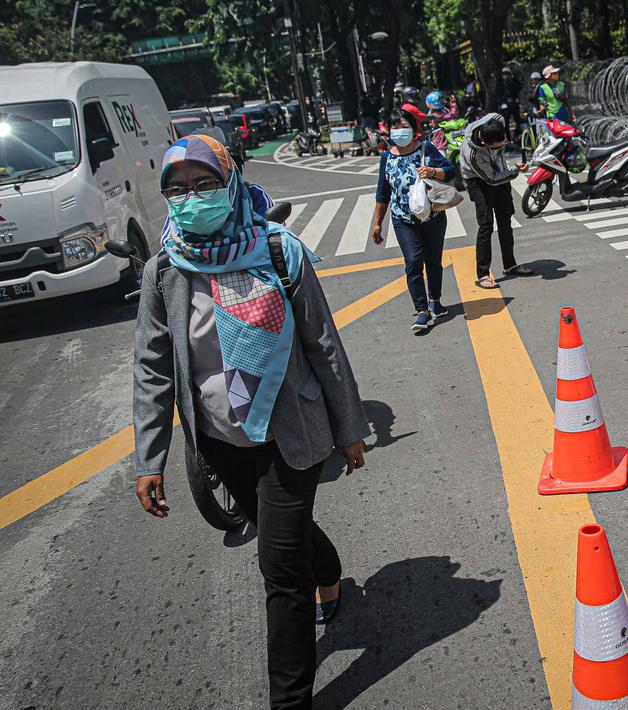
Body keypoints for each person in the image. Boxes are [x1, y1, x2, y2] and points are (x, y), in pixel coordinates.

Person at [133, 133, 369, 709]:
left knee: (278, 571)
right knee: (276, 533)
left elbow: (323, 344)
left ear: (230, 180)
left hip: (290, 430)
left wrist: (349, 428)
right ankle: (330, 567)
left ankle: (289, 703)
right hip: (218, 438)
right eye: (178, 189)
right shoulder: (166, 268)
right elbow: (153, 366)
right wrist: (150, 458)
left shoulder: (278, 249)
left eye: (204, 183)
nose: (192, 197)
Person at [370, 108, 456, 332]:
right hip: (403, 219)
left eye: (404, 126)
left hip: (433, 217)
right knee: (413, 261)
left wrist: (432, 171)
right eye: (395, 127)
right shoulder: (387, 157)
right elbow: (382, 192)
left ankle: (435, 300)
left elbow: (450, 170)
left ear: (414, 128)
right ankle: (422, 310)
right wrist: (378, 223)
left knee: (433, 261)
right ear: (389, 131)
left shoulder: (426, 149)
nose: (400, 131)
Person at [460, 113, 532, 289]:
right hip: (477, 180)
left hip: (500, 172)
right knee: (486, 224)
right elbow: (491, 179)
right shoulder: (473, 154)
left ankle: (510, 264)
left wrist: (509, 170)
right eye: (499, 146)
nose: (504, 145)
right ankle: (483, 274)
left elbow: (498, 115)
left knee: (505, 219)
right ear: (485, 143)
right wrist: (515, 172)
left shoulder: (496, 120)